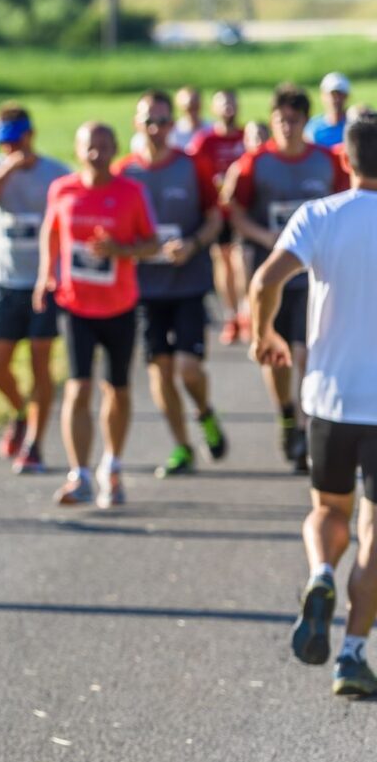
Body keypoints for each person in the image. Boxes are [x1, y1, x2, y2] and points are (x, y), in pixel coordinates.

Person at [250, 114, 377, 697]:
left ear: (344, 160)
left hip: (329, 398)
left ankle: (321, 572)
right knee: (373, 532)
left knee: (328, 511)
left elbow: (264, 282)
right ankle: (351, 655)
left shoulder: (319, 214)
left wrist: (264, 334)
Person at [222, 83, 348, 474]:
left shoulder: (326, 161)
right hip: (273, 275)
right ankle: (287, 415)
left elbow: (346, 205)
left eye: (293, 120)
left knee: (307, 353)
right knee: (276, 356)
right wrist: (266, 237)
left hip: (315, 278)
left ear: (305, 121)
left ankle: (308, 426)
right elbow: (234, 210)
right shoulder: (255, 163)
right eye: (279, 120)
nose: (286, 127)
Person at [35, 122, 159, 508]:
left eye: (104, 146)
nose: (96, 154)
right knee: (78, 387)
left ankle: (113, 464)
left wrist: (119, 251)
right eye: (90, 146)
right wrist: (45, 276)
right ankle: (80, 474)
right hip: (75, 305)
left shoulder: (131, 192)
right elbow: (51, 232)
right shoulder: (62, 189)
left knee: (117, 389)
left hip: (119, 305)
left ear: (114, 149)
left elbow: (152, 243)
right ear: (77, 149)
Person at [112, 90, 228, 477]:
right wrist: (131, 249)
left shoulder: (192, 165)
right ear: (137, 123)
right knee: (159, 372)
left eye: (163, 121)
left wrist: (192, 244)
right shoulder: (125, 172)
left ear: (172, 125)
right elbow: (113, 226)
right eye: (149, 121)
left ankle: (205, 412)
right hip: (145, 289)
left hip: (188, 283)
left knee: (188, 370)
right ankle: (182, 446)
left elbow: (215, 218)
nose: (156, 129)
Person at [0, 103, 70, 475]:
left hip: (45, 283)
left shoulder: (56, 174)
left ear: (31, 135)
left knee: (40, 363)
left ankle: (34, 446)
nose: (11, 148)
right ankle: (21, 412)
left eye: (17, 141)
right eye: (4, 143)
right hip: (6, 282)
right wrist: (6, 169)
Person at [188, 89, 248, 344]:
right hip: (218, 212)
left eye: (232, 103)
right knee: (223, 262)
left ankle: (246, 312)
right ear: (213, 109)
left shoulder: (246, 136)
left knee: (241, 260)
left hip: (243, 211)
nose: (228, 108)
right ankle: (231, 315)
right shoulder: (205, 140)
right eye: (223, 104)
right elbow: (194, 171)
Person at [307, 72, 351, 148]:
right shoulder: (312, 126)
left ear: (347, 96)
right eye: (332, 94)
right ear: (323, 96)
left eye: (340, 94)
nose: (336, 99)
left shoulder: (353, 124)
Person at [170, 85, 204, 152]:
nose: (192, 110)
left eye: (196, 105)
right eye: (188, 107)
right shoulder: (173, 131)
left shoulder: (211, 129)